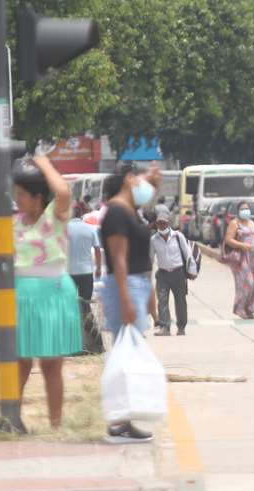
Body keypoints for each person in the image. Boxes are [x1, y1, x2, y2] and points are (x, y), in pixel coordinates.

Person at [0, 154, 83, 429]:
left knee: (51, 364)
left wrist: (43, 163)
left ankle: (55, 424)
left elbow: (63, 191)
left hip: (52, 295)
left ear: (37, 197)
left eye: (21, 194)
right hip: (20, 297)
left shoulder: (54, 216)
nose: (17, 199)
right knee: (18, 363)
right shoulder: (12, 223)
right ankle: (11, 418)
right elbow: (3, 264)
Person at [99, 162, 160, 443]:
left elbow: (141, 256)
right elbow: (119, 260)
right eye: (139, 179)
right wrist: (126, 299)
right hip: (125, 286)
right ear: (127, 179)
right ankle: (120, 420)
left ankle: (125, 417)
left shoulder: (131, 212)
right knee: (125, 355)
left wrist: (149, 293)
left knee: (131, 352)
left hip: (137, 285)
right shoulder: (116, 214)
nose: (143, 185)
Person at [67, 203, 104, 353]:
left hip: (68, 273)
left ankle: (72, 344)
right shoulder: (89, 228)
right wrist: (99, 268)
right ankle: (95, 343)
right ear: (81, 213)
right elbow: (97, 249)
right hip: (86, 272)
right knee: (85, 307)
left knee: (69, 308)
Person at [150, 207, 191, 336]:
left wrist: (192, 271)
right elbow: (150, 258)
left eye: (164, 223)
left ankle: (181, 327)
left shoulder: (178, 236)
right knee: (162, 300)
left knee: (180, 301)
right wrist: (147, 275)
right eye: (159, 223)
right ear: (156, 224)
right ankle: (165, 327)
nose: (162, 226)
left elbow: (188, 254)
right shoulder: (153, 240)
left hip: (178, 273)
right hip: (162, 274)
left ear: (169, 223)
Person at [224, 201, 254, 319]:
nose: (245, 211)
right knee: (247, 282)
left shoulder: (252, 223)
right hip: (241, 257)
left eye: (247, 208)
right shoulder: (234, 223)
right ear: (238, 211)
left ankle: (249, 309)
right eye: (243, 209)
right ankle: (239, 308)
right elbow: (228, 239)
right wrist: (242, 245)